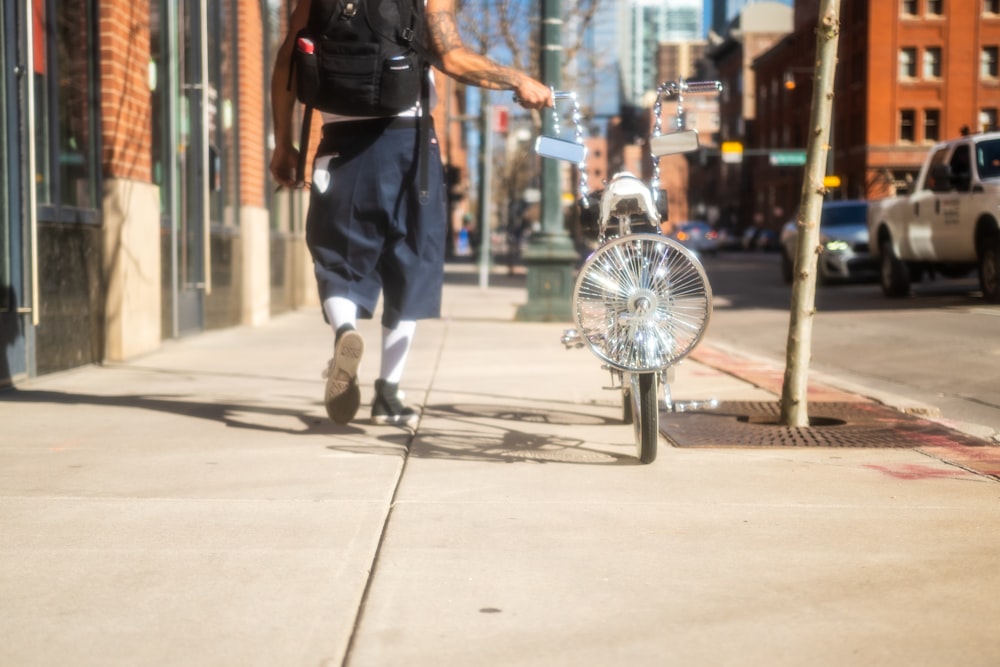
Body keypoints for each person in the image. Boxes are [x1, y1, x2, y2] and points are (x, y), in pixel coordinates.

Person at [270, 0, 552, 427]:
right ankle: (389, 392)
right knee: (411, 259)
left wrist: (282, 143)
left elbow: (287, 61)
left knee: (336, 257)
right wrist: (517, 80)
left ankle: (346, 331)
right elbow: (453, 57)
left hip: (338, 143)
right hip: (409, 142)